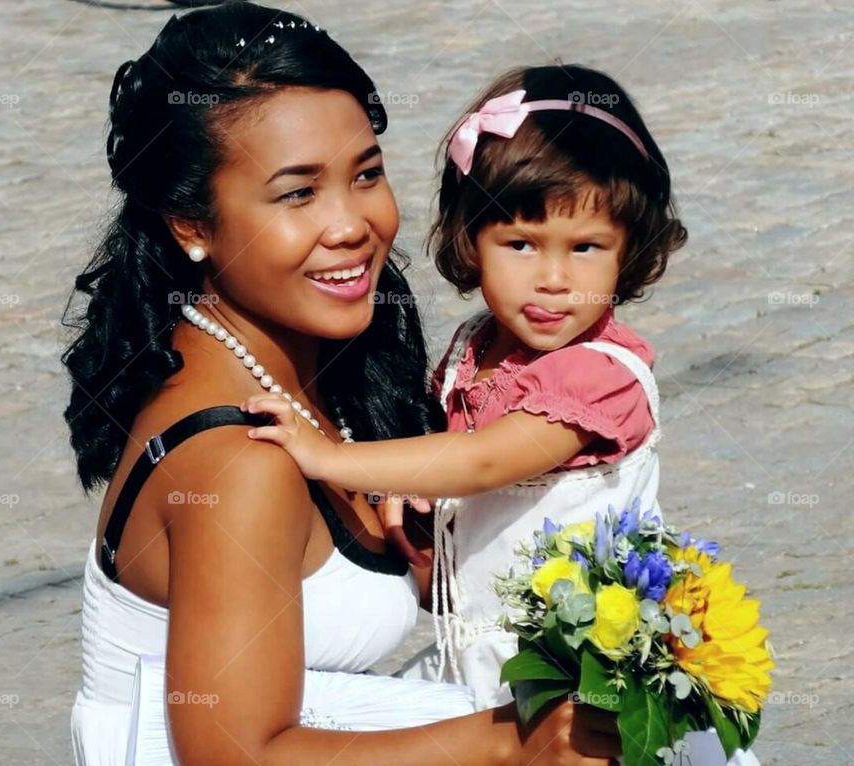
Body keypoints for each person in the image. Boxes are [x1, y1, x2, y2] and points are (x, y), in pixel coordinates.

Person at [62, 5, 619, 765]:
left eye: (365, 174)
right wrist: (508, 744)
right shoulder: (239, 465)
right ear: (190, 224)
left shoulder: (316, 372)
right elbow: (236, 755)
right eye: (297, 194)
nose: (351, 223)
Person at [244, 64, 759, 765]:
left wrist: (328, 455)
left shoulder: (601, 377)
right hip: (486, 666)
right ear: (469, 239)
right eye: (520, 244)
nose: (553, 279)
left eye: (586, 248)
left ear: (629, 251)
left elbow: (483, 460)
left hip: (591, 681)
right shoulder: (472, 350)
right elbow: (461, 485)